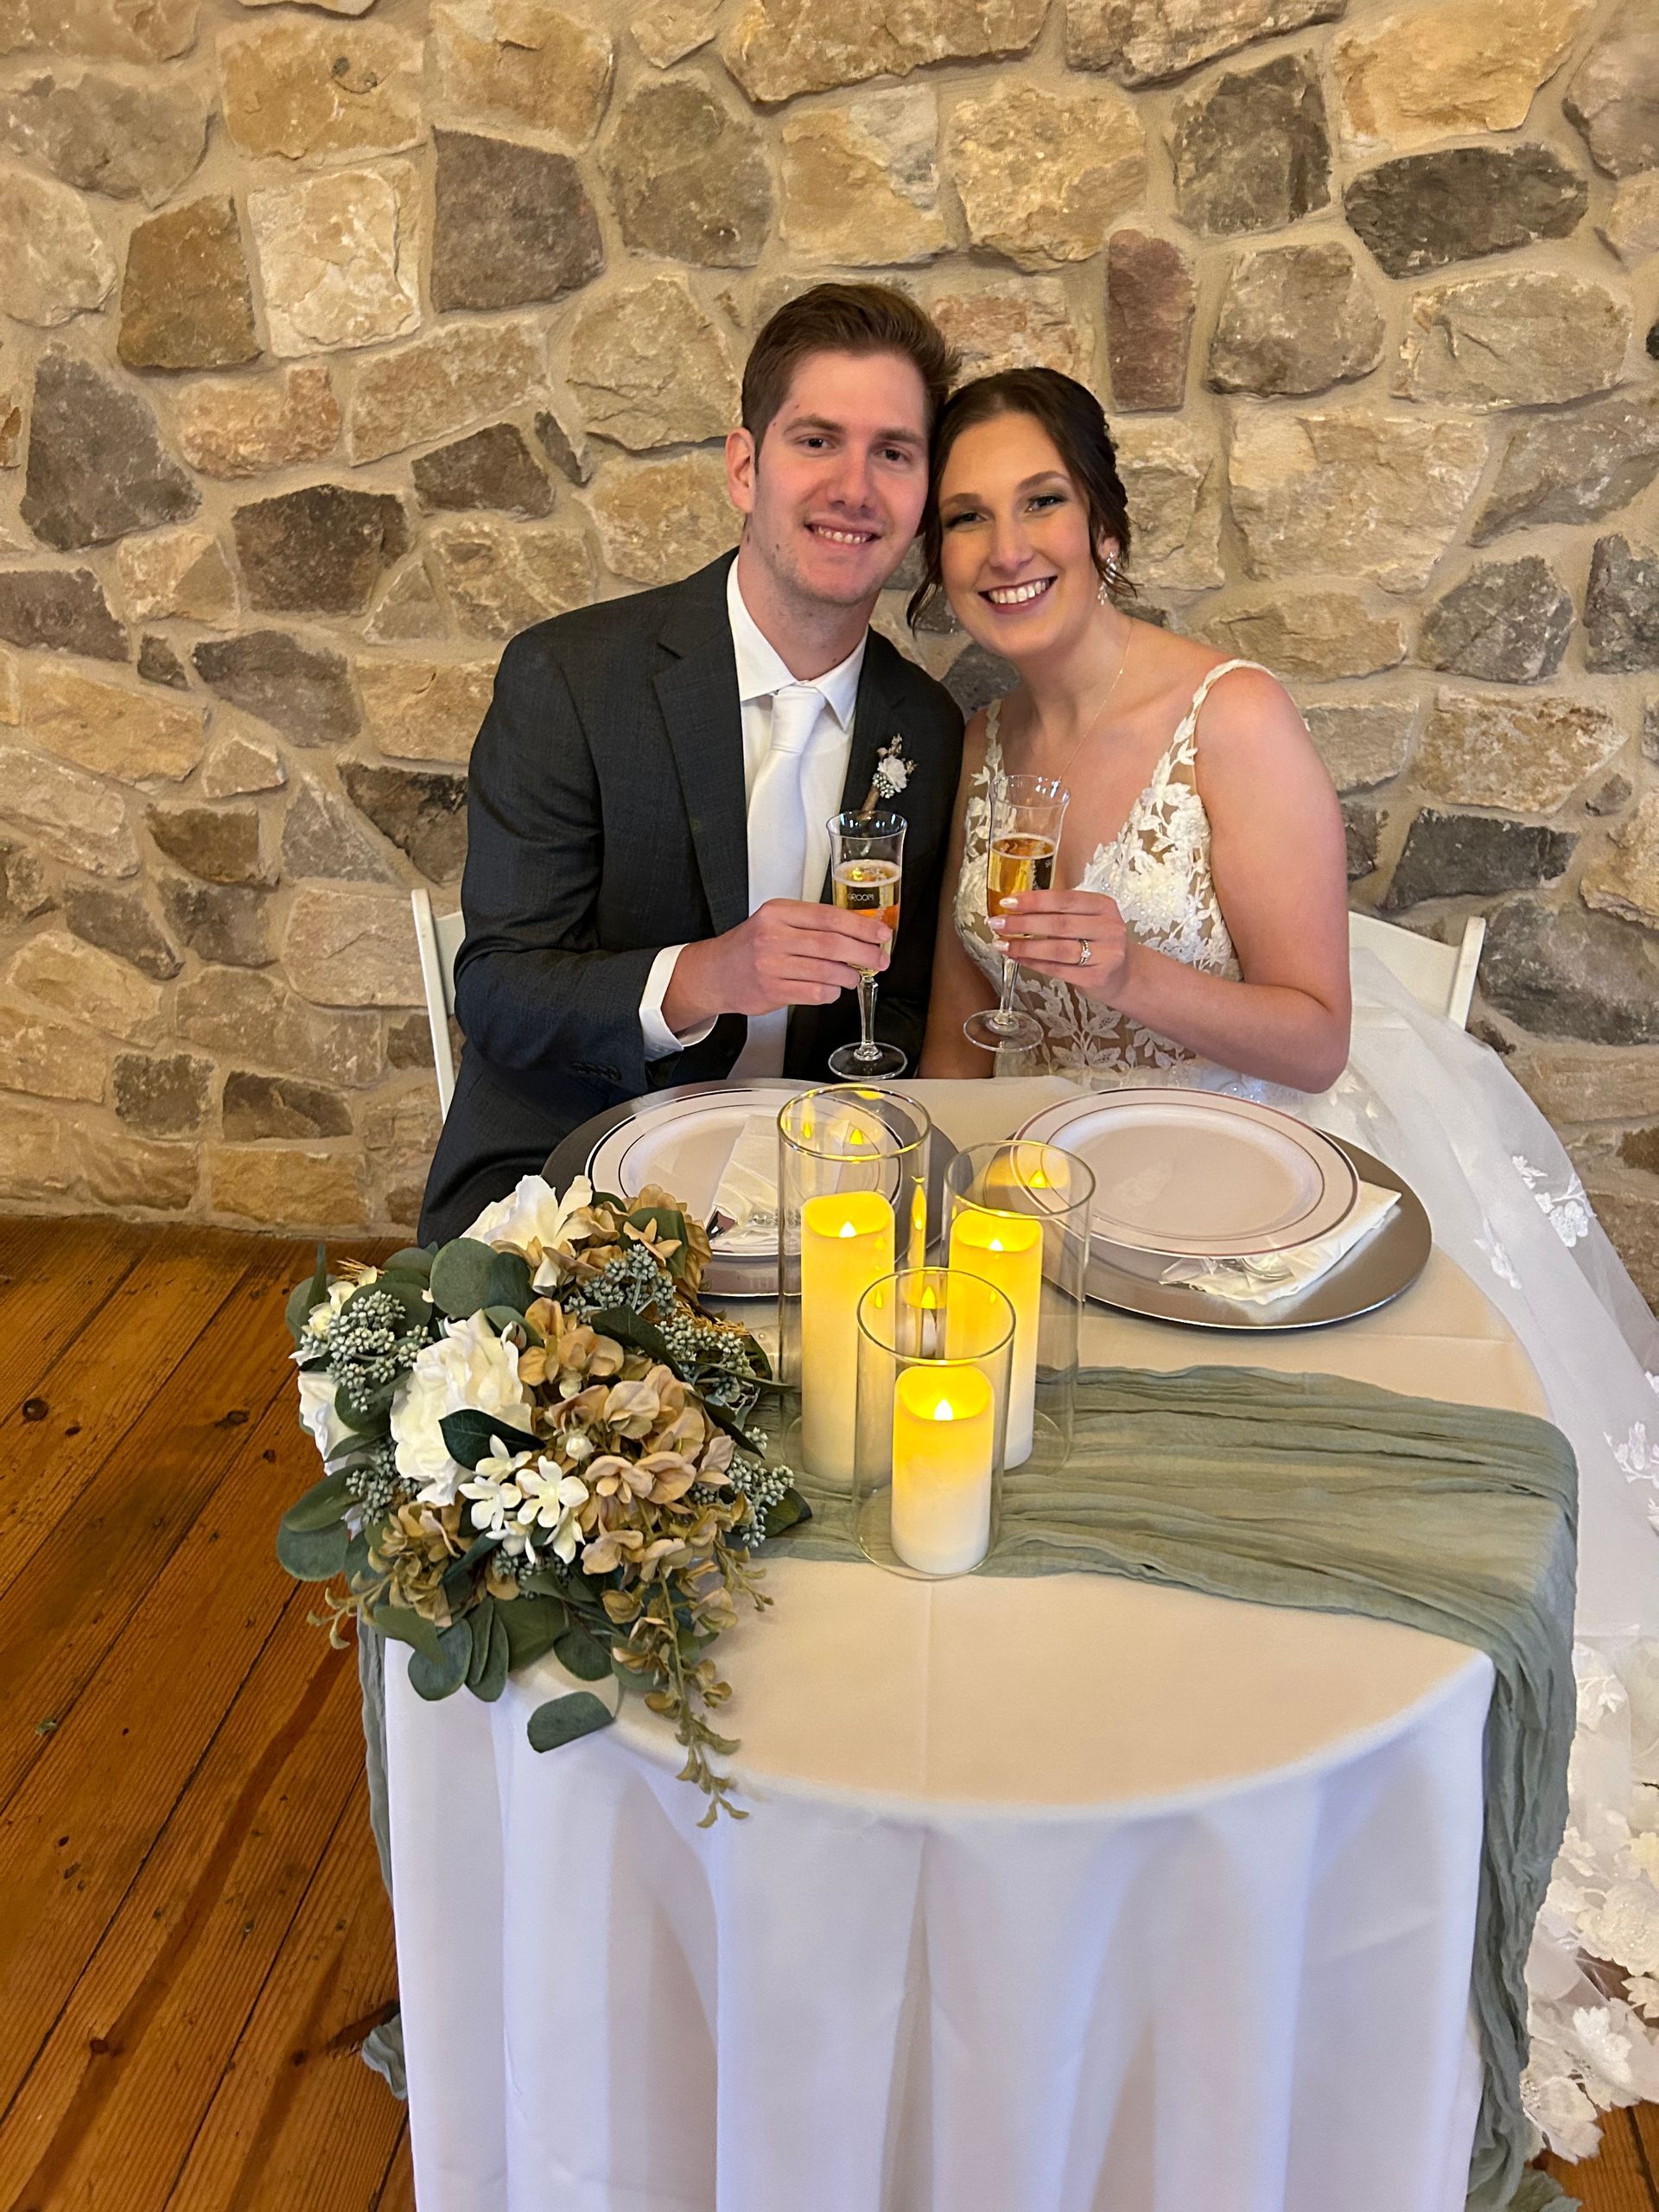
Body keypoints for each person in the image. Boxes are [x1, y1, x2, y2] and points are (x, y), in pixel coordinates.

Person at [913, 365, 1659, 2144]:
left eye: (1038, 501)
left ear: (1105, 523)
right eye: (966, 517)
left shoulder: (1230, 720)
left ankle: (1265, 1852)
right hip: (1059, 1194)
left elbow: (1315, 1033)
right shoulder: (981, 746)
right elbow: (957, 1019)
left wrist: (1129, 974)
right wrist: (940, 1197)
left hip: (1261, 1183)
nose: (1006, 545)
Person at [418, 283, 965, 1247]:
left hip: (816, 1205)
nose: (855, 486)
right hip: (566, 1177)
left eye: (893, 452)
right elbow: (499, 992)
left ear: (922, 497)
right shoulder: (569, 679)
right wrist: (704, 977)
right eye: (817, 440)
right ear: (745, 468)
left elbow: (905, 1001)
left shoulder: (926, 726)